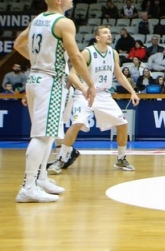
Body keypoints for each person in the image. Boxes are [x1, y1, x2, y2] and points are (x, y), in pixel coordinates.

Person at [13, 0, 96, 203]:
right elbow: (76, 57)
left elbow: (18, 44)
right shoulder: (64, 22)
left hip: (35, 79)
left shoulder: (38, 19)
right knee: (42, 135)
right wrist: (89, 84)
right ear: (58, 0)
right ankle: (27, 186)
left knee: (48, 133)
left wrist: (38, 61)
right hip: (50, 81)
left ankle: (41, 179)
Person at [49, 25, 141, 174]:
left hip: (103, 94)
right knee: (77, 123)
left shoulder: (113, 53)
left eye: (110, 32)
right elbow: (72, 75)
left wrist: (132, 92)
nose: (109, 35)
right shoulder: (87, 52)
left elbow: (119, 75)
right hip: (85, 93)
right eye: (105, 33)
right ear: (97, 37)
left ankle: (121, 158)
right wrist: (84, 89)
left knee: (123, 124)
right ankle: (61, 159)